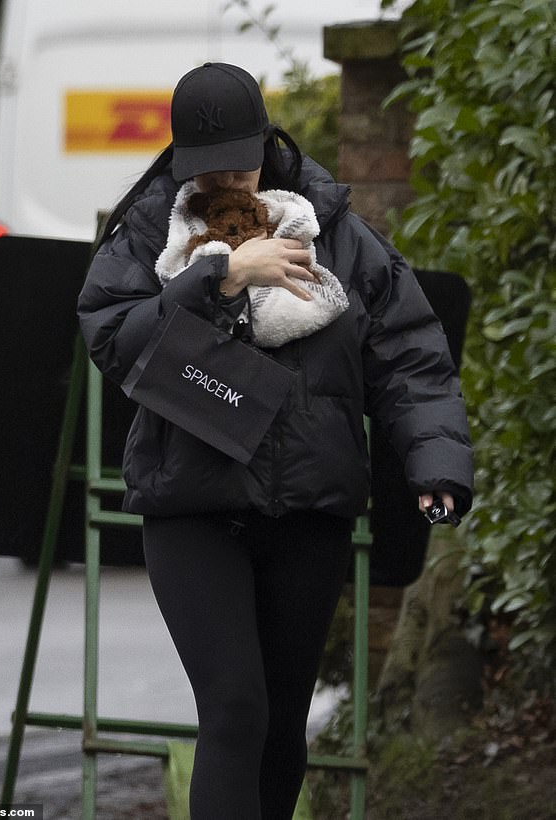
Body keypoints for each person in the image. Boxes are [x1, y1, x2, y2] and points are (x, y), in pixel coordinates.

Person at [78, 62, 473, 820]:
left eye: (240, 159)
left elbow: (410, 353)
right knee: (234, 709)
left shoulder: (333, 228)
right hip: (191, 507)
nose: (227, 178)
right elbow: (113, 342)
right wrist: (217, 274)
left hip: (306, 510)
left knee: (282, 722)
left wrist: (436, 462)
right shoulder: (148, 229)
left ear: (268, 142)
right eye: (208, 167)